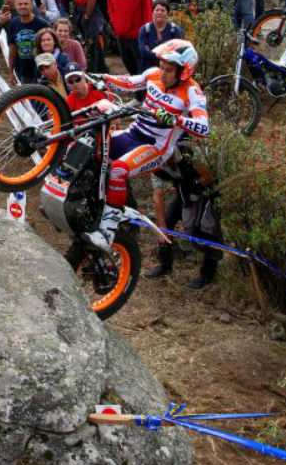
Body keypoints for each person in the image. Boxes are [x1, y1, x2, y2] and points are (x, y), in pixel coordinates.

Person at [86, 40, 209, 251]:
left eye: (169, 70)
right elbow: (129, 82)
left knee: (118, 170)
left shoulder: (192, 91)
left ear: (183, 72)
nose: (163, 74)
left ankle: (108, 230)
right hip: (134, 133)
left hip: (156, 146)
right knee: (92, 148)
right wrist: (102, 78)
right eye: (162, 67)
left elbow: (204, 127)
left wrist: (176, 119)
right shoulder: (153, 74)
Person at [146, 145, 222, 289]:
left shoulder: (189, 152)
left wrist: (194, 185)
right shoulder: (155, 165)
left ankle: (207, 275)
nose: (166, 161)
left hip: (205, 192)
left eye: (168, 157)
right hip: (184, 193)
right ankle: (165, 265)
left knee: (208, 230)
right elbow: (158, 195)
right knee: (166, 221)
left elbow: (209, 177)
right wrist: (162, 228)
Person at [107, 0, 153, 76]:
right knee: (130, 69)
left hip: (138, 37)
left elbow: (148, 11)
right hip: (121, 35)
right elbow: (110, 5)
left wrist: (146, 34)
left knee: (142, 71)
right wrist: (114, 23)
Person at [2, 0, 50, 84]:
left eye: (26, 4)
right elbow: (13, 48)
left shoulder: (43, 24)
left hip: (42, 72)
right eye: (20, 4)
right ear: (16, 6)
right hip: (24, 72)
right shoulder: (14, 23)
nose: (23, 6)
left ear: (31, 6)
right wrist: (10, 72)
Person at [138, 0, 184, 71]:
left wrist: (151, 53)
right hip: (147, 70)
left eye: (162, 10)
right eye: (157, 10)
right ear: (152, 13)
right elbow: (144, 52)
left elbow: (178, 52)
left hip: (168, 71)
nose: (159, 12)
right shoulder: (145, 29)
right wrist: (164, 55)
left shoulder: (175, 30)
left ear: (168, 13)